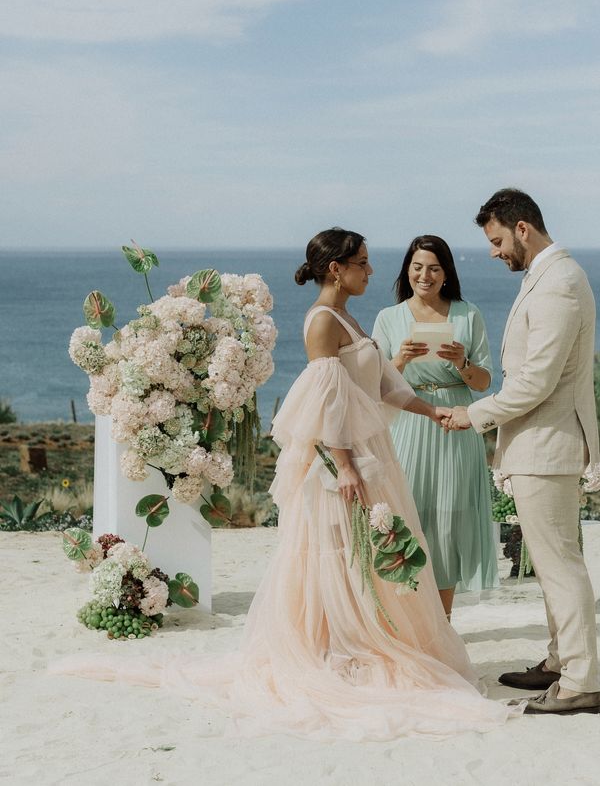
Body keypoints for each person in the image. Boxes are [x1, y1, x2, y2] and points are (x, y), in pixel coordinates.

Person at [54, 227, 523, 739]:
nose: (371, 271)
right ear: (335, 269)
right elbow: (325, 406)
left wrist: (435, 412)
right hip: (344, 460)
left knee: (366, 554)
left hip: (373, 450)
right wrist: (345, 467)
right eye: (362, 263)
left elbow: (384, 385)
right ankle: (337, 649)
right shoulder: (322, 322)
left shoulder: (347, 315)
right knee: (339, 554)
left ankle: (362, 640)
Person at [445, 189, 600, 715]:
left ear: (522, 228)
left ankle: (581, 681)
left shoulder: (558, 281)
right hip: (540, 442)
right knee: (556, 561)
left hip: (549, 443)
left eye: (496, 240)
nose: (493, 251)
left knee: (560, 565)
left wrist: (475, 413)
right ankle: (561, 662)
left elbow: (536, 380)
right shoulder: (548, 276)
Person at [372, 235, 498, 619]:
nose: (424, 275)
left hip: (456, 428)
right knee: (407, 520)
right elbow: (376, 384)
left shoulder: (467, 314)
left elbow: (483, 383)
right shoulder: (388, 318)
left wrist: (462, 363)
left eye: (434, 268)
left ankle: (441, 624)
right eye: (417, 267)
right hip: (409, 424)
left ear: (446, 274)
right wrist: (399, 360)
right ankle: (407, 620)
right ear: (407, 271)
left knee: (448, 524)